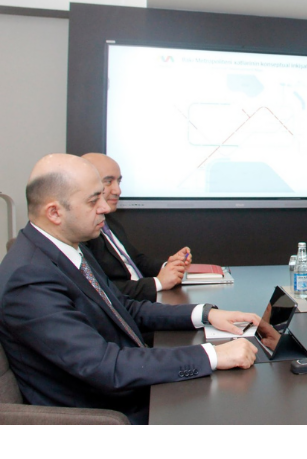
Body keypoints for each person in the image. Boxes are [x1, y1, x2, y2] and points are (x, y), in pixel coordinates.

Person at [0, 154, 261, 424]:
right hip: (105, 415)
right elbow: (104, 366)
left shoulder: (69, 247)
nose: (105, 207)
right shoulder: (28, 279)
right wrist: (212, 355)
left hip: (132, 385)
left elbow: (123, 307)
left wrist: (204, 314)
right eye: (93, 201)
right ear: (54, 212)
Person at [82, 152, 188, 301]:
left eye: (118, 182)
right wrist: (157, 283)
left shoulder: (110, 221)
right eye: (108, 182)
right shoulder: (82, 232)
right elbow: (101, 288)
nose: (118, 191)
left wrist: (171, 266)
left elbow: (136, 260)